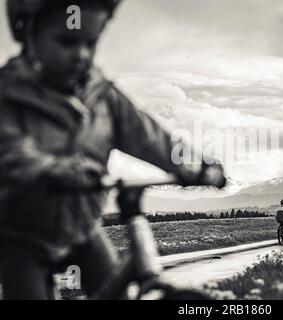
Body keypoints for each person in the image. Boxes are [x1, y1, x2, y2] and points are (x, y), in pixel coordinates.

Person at [0, 0, 226, 300]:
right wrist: (50, 169)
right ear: (28, 33)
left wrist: (193, 165)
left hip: (83, 230)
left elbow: (150, 138)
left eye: (90, 43)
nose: (81, 55)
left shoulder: (103, 98)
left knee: (118, 289)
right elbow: (10, 151)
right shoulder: (8, 93)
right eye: (66, 41)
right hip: (22, 234)